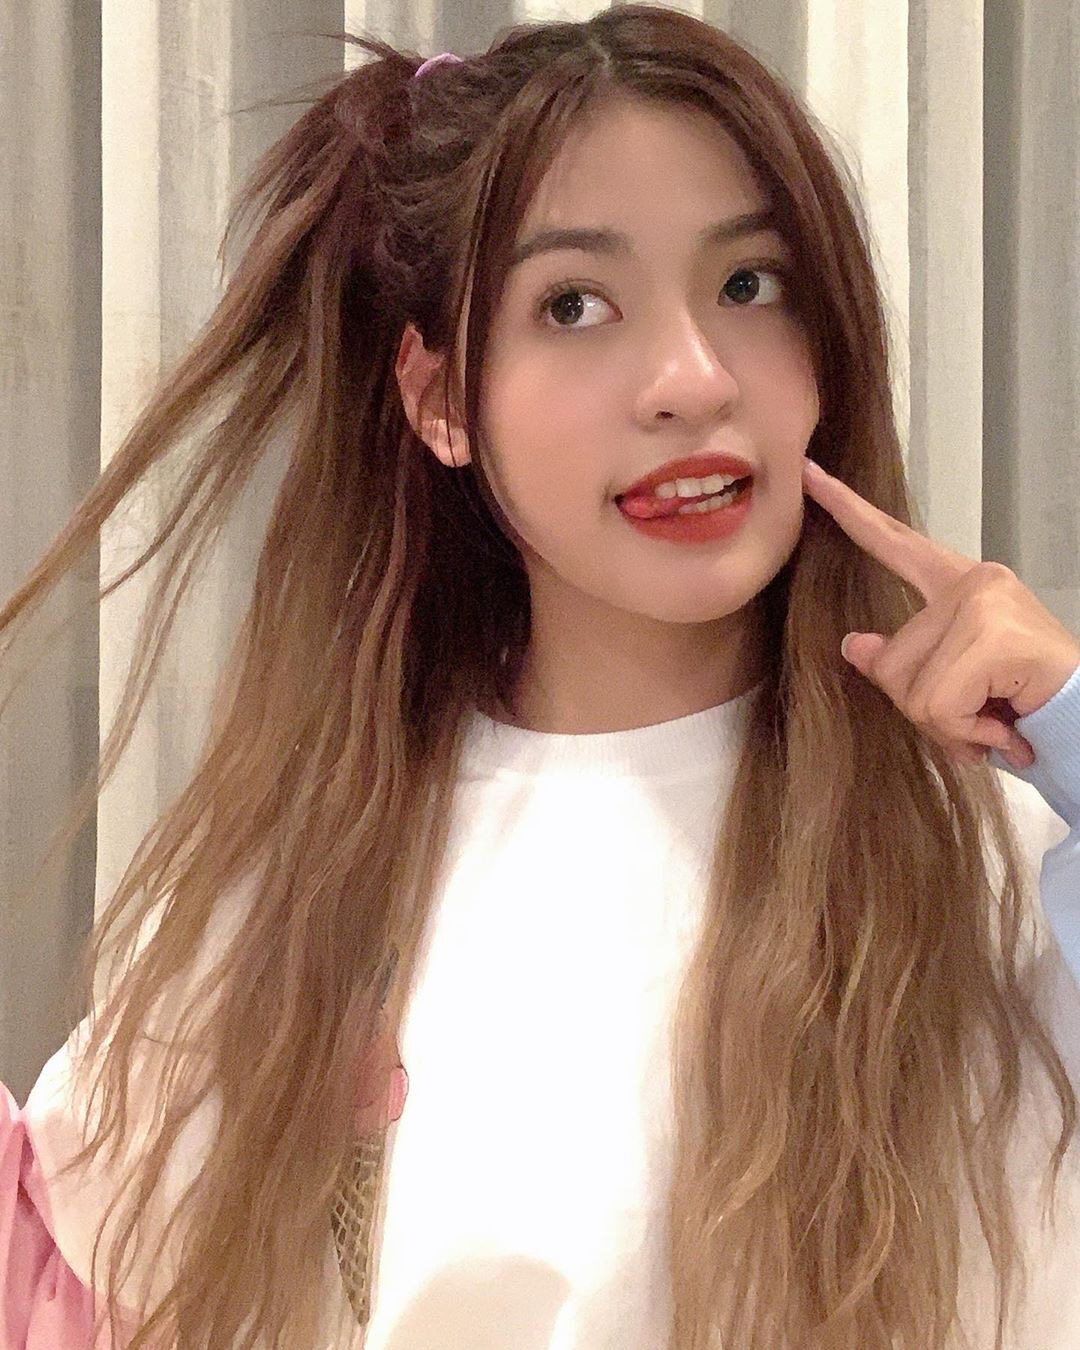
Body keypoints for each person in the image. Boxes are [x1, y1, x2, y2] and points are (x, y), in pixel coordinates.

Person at [2, 6, 1079, 1347]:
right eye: (575, 305)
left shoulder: (990, 865)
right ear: (440, 399)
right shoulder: (297, 892)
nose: (690, 380)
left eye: (752, 285)